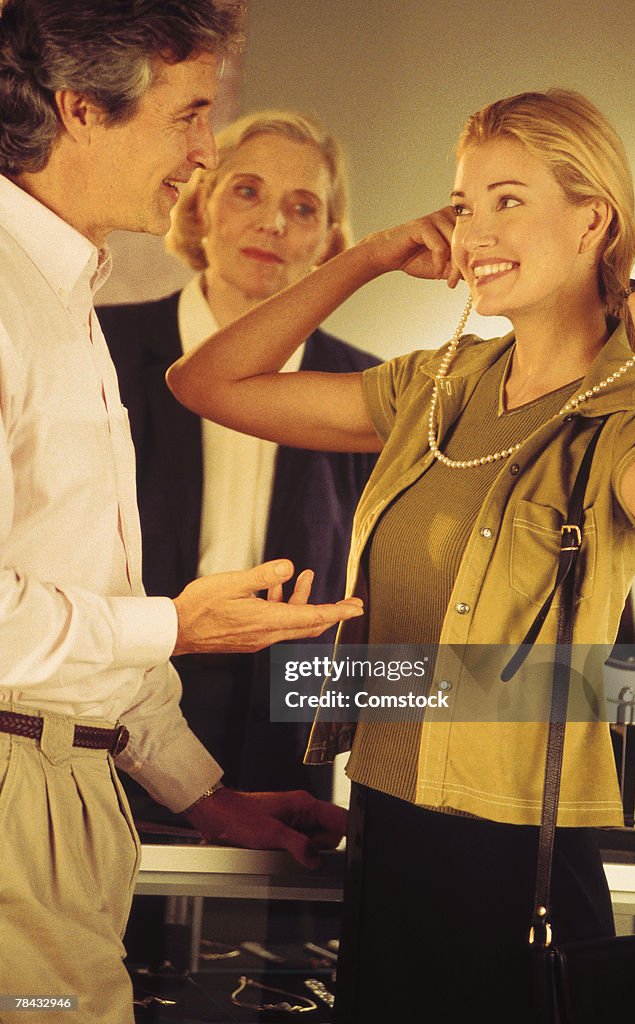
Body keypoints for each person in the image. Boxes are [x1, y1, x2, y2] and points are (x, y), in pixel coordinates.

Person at [168, 87, 635, 1022]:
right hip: (387, 824)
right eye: (464, 201)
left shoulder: (634, 403)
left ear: (593, 218)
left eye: (508, 198)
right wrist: (362, 257)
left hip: (514, 848)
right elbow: (205, 381)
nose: (472, 228)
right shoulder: (435, 387)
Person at [0, 2, 364, 1021]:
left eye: (304, 206)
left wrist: (205, 792)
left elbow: (81, 584)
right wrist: (179, 623)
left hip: (100, 770)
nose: (200, 155)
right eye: (190, 117)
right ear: (81, 109)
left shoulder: (58, 292)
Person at [98, 111, 379, 809]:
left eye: (302, 207)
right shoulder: (101, 345)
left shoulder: (370, 394)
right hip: (112, 708)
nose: (274, 224)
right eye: (247, 192)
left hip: (288, 730)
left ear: (330, 243)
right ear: (200, 208)